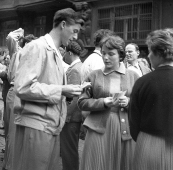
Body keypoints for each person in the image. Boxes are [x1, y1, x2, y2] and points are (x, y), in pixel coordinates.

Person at [12, 8, 83, 170]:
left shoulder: (55, 52)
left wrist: (67, 91)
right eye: (75, 31)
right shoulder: (37, 47)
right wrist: (62, 90)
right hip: (36, 126)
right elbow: (23, 87)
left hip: (48, 127)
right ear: (63, 25)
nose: (75, 37)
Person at [78, 34, 139, 170]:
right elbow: (82, 102)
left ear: (121, 55)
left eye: (111, 54)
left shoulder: (133, 76)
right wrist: (103, 102)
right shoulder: (93, 75)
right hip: (98, 129)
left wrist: (129, 102)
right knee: (97, 163)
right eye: (103, 53)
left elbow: (140, 104)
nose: (105, 57)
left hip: (125, 129)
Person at [129, 29, 173, 170]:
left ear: (158, 53)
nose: (148, 56)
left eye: (149, 51)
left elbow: (133, 120)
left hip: (148, 144)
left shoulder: (142, 82)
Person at [3, 30, 36, 170]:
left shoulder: (35, 57)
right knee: (12, 131)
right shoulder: (17, 54)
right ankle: (10, 164)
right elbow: (11, 36)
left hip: (26, 96)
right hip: (15, 92)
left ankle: (16, 163)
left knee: (21, 132)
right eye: (27, 44)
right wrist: (20, 32)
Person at [60, 40, 83, 170]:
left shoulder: (74, 70)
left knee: (68, 150)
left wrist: (65, 116)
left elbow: (73, 97)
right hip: (74, 117)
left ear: (69, 53)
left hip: (71, 118)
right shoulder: (79, 66)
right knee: (70, 149)